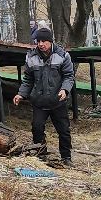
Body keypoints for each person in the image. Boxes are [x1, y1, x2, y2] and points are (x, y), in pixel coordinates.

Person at [13, 26, 75, 164]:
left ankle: (66, 157)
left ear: (50, 41)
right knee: (37, 128)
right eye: (38, 41)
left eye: (44, 41)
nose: (40, 44)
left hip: (57, 100)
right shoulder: (31, 57)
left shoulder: (62, 55)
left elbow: (69, 76)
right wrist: (21, 94)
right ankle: (41, 154)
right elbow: (28, 79)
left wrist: (64, 90)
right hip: (39, 101)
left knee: (64, 130)